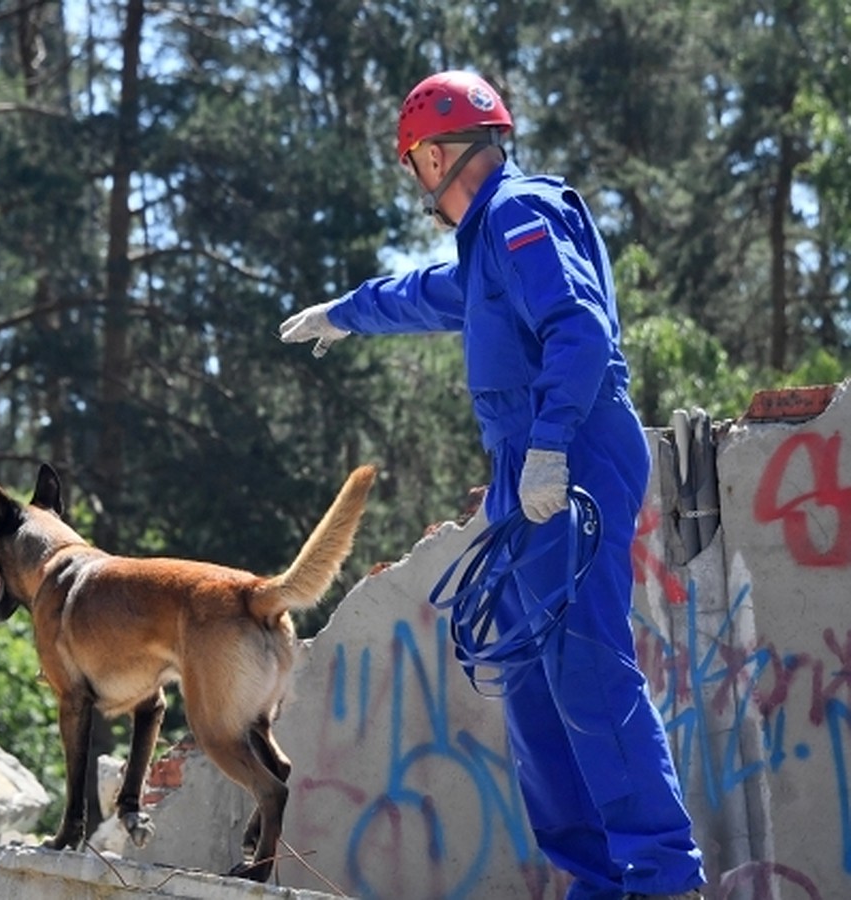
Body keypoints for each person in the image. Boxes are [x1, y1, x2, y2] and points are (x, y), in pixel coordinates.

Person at [278, 70, 706, 900]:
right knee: (533, 694)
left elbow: (578, 329)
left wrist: (549, 450)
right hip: (529, 465)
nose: (419, 189)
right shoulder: (483, 249)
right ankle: (598, 881)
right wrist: (347, 310)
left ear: (435, 156)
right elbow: (427, 294)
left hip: (572, 448)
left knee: (585, 667)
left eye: (414, 169)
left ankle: (660, 877)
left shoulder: (518, 213)